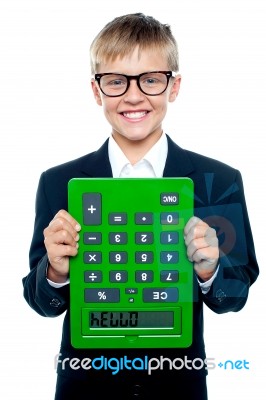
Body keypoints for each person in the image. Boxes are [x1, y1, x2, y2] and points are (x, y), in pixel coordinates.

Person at [22, 12, 259, 400]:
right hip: (85, 386)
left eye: (151, 79)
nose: (134, 96)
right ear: (97, 91)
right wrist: (54, 271)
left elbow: (234, 297)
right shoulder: (57, 183)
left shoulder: (220, 180)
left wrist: (212, 268)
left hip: (177, 384)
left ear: (174, 86)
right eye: (116, 81)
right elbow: (41, 303)